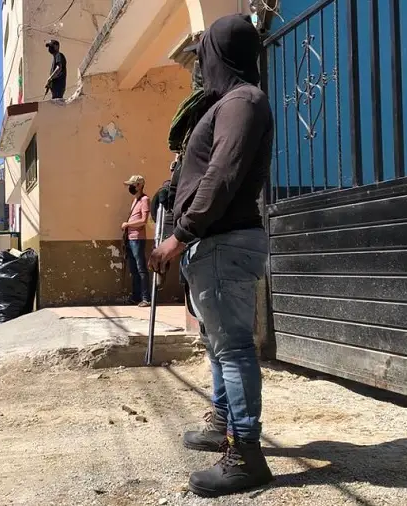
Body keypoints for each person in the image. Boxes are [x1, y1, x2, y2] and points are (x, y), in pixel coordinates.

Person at [148, 14, 274, 497]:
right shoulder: (228, 104)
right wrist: (171, 188)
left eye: (204, 57)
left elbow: (222, 174)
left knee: (235, 347)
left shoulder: (243, 101)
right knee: (219, 343)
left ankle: (245, 454)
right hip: (213, 244)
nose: (200, 67)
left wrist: (179, 234)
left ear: (222, 56)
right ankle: (223, 422)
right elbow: (203, 169)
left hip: (222, 242)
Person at [121, 175, 150, 307]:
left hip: (138, 238)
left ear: (139, 185)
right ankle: (136, 296)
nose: (130, 187)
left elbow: (144, 220)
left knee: (141, 268)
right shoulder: (135, 200)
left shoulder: (145, 199)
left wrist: (128, 225)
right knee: (134, 269)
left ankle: (146, 298)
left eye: (132, 185)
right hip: (130, 238)